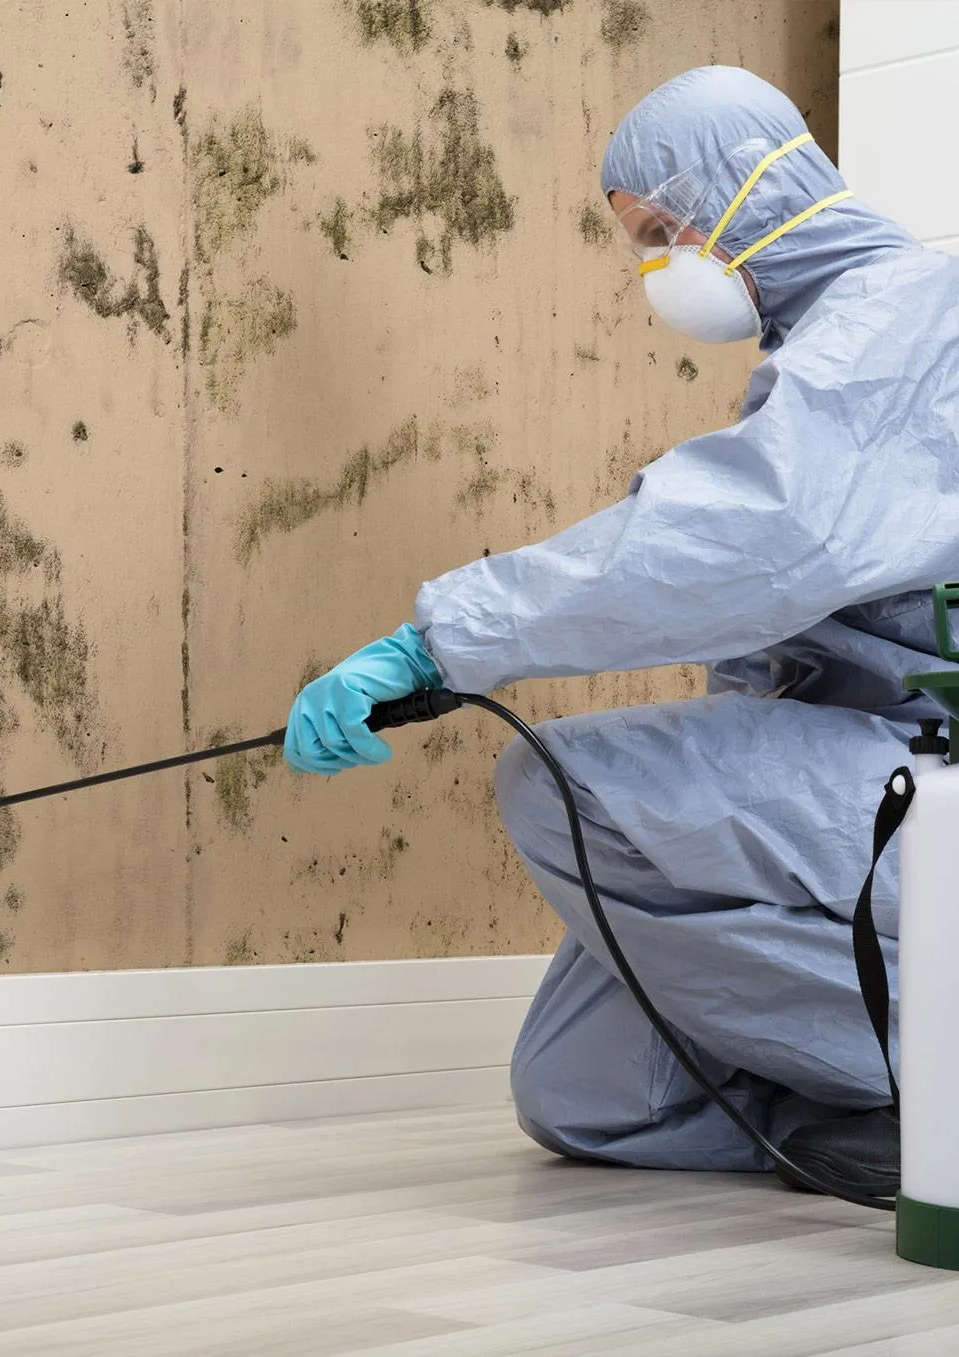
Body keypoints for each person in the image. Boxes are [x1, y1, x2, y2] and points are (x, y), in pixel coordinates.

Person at [283, 66, 959, 1198]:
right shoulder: (824, 348)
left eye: (661, 231)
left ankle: (930, 1089)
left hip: (925, 783)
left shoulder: (905, 317)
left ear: (751, 186)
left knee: (560, 785)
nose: (657, 267)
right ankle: (873, 1094)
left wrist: (442, 641)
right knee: (588, 1092)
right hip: (870, 776)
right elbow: (777, 628)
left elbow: (759, 540)